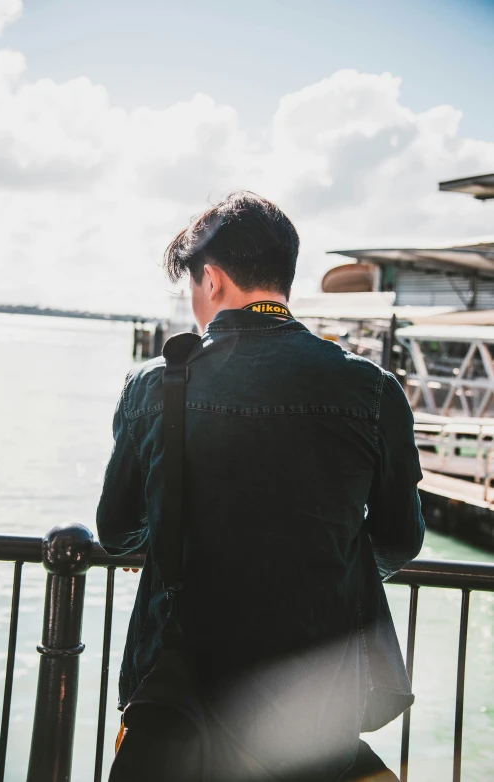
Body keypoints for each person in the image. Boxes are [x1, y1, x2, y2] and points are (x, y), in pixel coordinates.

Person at [96, 191, 425, 781]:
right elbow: (400, 538)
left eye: (192, 285)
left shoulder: (153, 387)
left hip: (181, 697)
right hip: (311, 703)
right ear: (285, 277)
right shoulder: (372, 389)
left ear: (213, 281)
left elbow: (117, 533)